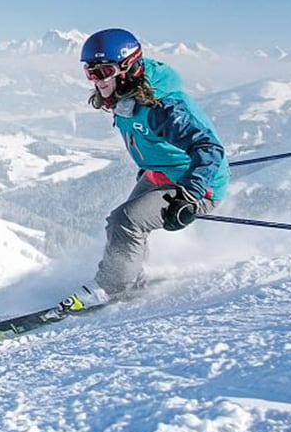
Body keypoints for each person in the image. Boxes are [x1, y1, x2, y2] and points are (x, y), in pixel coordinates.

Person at [72, 28, 230, 307]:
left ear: (128, 68)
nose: (97, 81)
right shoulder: (125, 95)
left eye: (103, 71)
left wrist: (190, 195)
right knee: (117, 222)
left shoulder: (163, 107)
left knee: (127, 221)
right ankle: (130, 278)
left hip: (196, 183)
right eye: (90, 72)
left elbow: (209, 148)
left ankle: (112, 289)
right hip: (160, 173)